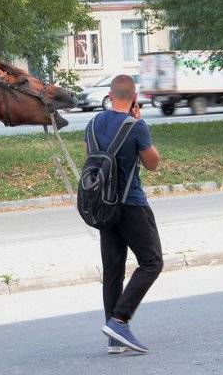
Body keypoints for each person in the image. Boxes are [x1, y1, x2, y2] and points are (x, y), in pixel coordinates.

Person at [84, 75, 163, 354]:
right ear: (134, 96)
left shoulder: (92, 124)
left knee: (113, 271)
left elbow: (91, 158)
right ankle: (119, 321)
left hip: (103, 204)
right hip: (132, 204)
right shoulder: (136, 126)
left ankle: (114, 339)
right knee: (152, 262)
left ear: (109, 94)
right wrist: (139, 124)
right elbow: (152, 164)